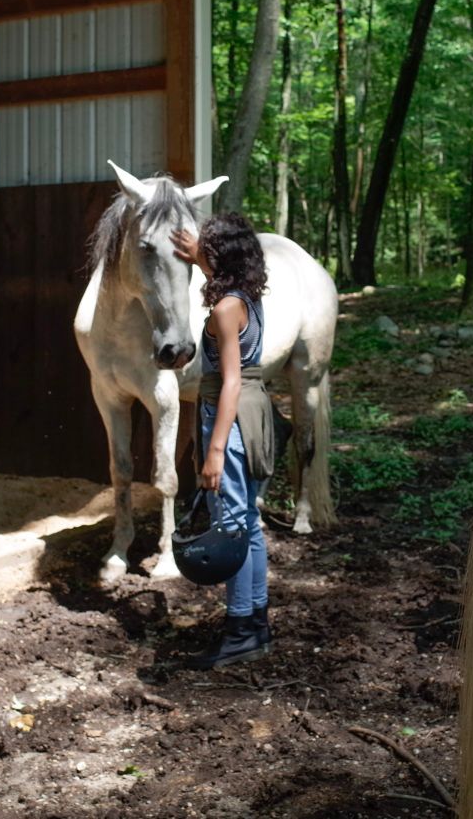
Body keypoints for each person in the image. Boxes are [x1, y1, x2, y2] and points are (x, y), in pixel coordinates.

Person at [170, 213, 273, 669]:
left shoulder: (223, 310)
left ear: (221, 255)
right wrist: (200, 258)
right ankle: (256, 619)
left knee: (229, 524)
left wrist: (213, 451)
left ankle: (239, 631)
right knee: (248, 521)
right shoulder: (245, 295)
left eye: (208, 246)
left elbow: (229, 381)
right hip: (254, 410)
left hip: (227, 418)